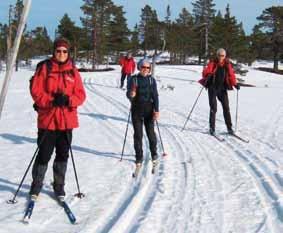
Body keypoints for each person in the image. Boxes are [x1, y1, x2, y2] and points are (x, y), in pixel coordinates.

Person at [29, 38, 86, 200]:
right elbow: (36, 92)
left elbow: (81, 95)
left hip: (67, 121)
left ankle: (59, 186)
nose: (61, 54)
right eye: (58, 51)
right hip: (48, 120)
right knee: (44, 154)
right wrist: (51, 101)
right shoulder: (44, 68)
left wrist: (68, 100)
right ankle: (36, 185)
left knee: (62, 154)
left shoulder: (73, 71)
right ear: (54, 51)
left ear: (68, 53)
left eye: (65, 51)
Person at [126, 59, 159, 170]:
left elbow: (155, 96)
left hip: (149, 110)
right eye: (143, 67)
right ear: (139, 67)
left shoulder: (151, 80)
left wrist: (157, 110)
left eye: (148, 68)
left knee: (151, 134)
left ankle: (154, 153)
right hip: (136, 110)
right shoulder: (133, 79)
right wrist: (131, 94)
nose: (145, 69)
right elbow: (128, 93)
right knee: (138, 135)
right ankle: (139, 156)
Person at [199, 48, 240, 135]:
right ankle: (212, 128)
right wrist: (208, 74)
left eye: (223, 56)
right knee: (213, 108)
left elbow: (231, 75)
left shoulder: (227, 64)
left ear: (225, 56)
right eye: (219, 55)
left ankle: (229, 128)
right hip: (212, 88)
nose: (221, 57)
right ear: (217, 55)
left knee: (226, 108)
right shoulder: (213, 63)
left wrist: (235, 84)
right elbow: (204, 72)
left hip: (222, 89)